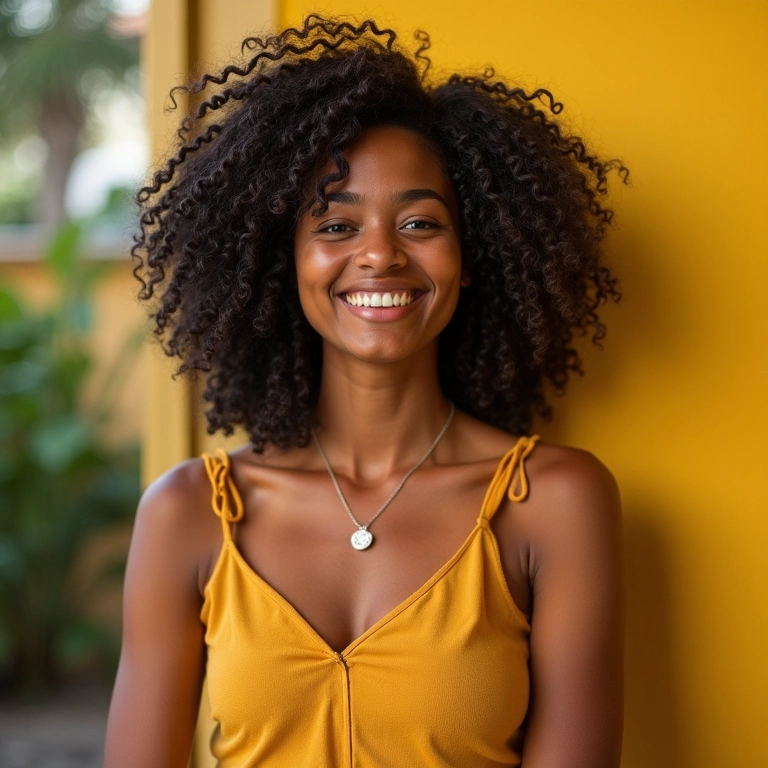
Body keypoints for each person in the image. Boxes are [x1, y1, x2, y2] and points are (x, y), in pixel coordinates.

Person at [105, 15, 627, 768]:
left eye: (419, 222)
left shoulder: (551, 501)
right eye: (337, 225)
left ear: (471, 256)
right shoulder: (189, 514)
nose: (380, 254)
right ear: (283, 260)